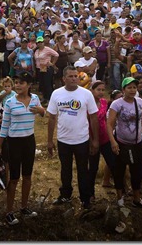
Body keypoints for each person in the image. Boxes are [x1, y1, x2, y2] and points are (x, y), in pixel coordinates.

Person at [0, 72, 45, 225]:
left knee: (28, 176)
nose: (17, 85)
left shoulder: (35, 98)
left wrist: (41, 111)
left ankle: (24, 207)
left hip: (29, 141)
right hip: (14, 142)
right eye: (16, 82)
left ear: (29, 85)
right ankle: (9, 212)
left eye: (21, 83)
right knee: (14, 177)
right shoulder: (10, 102)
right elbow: (5, 125)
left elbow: (43, 112)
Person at [47, 66, 99, 209]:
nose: (74, 78)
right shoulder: (56, 94)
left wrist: (95, 140)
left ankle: (85, 198)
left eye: (76, 76)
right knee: (65, 169)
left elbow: (93, 117)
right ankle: (65, 195)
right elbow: (51, 118)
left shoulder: (86, 94)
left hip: (82, 139)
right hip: (63, 140)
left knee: (83, 170)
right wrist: (49, 140)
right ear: (64, 78)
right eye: (70, 76)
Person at [107, 77, 142, 209]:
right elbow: (109, 124)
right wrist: (113, 142)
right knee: (119, 170)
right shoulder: (117, 104)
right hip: (121, 142)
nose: (132, 90)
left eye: (134, 87)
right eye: (129, 87)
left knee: (136, 172)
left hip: (137, 142)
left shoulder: (139, 102)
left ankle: (136, 198)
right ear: (123, 89)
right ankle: (120, 197)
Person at [87, 81, 116, 200]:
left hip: (105, 138)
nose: (101, 92)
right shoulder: (87, 104)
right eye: (98, 90)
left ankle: (121, 190)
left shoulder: (104, 102)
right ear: (92, 90)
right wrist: (92, 141)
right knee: (93, 167)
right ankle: (90, 193)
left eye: (103, 90)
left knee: (113, 163)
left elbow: (105, 120)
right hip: (92, 138)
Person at [33, 36, 59, 103]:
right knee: (42, 84)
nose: (40, 43)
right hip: (39, 69)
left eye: (41, 42)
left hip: (47, 68)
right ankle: (44, 97)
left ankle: (50, 99)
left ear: (43, 42)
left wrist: (52, 63)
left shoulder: (47, 49)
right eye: (38, 42)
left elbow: (56, 55)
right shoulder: (36, 51)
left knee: (48, 84)